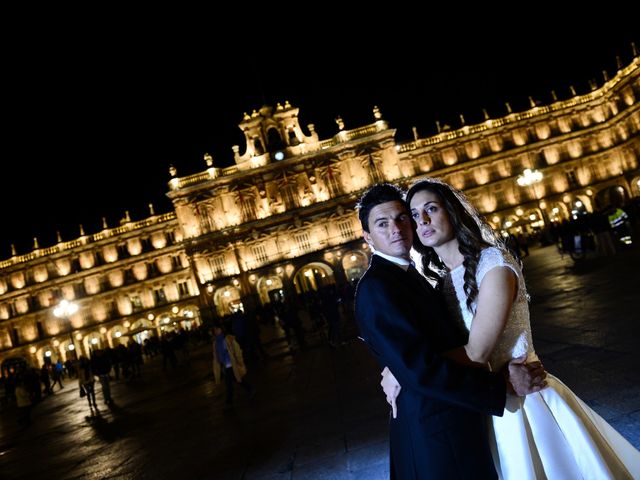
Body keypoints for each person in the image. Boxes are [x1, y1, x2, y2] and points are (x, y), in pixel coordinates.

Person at [382, 178, 640, 479]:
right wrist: (396, 362)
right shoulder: (439, 282)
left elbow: (477, 351)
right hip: (483, 401)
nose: (422, 220)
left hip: (524, 400)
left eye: (430, 208)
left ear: (452, 211)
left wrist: (405, 368)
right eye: (414, 214)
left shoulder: (493, 265)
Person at [354, 183, 545, 479]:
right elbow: (420, 369)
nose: (397, 228)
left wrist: (398, 369)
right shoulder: (378, 287)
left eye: (403, 217)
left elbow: (423, 355)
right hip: (439, 430)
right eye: (382, 223)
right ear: (367, 237)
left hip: (464, 415)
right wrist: (502, 385)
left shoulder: (417, 277)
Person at [212, 324, 255, 409]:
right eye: (215, 330)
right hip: (225, 366)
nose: (216, 331)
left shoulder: (228, 339)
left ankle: (229, 402)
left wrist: (239, 361)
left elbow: (237, 350)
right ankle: (250, 389)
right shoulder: (215, 342)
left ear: (221, 329)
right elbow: (216, 355)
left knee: (229, 385)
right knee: (237, 379)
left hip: (231, 364)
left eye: (217, 329)